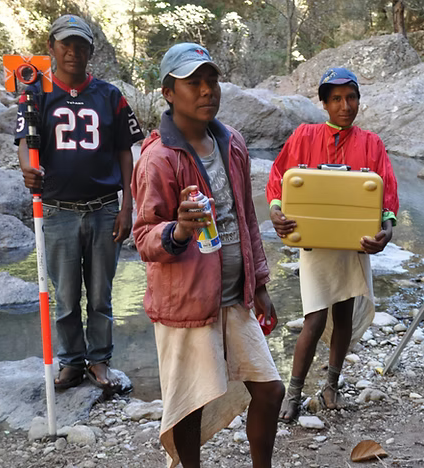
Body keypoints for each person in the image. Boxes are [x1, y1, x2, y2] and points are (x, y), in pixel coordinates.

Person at [131, 43, 284, 468]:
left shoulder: (231, 142)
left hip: (235, 297)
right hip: (187, 303)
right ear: (167, 92)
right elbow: (143, 236)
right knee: (189, 405)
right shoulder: (158, 159)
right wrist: (178, 231)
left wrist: (261, 281)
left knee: (270, 390)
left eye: (211, 81)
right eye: (193, 82)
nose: (206, 91)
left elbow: (246, 219)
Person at [16, 14, 143, 391]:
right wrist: (27, 169)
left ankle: (100, 360)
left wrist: (127, 206)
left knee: (101, 294)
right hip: (57, 211)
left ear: (91, 50)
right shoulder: (35, 93)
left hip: (104, 209)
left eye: (81, 45)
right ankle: (71, 362)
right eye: (65, 44)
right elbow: (26, 141)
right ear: (51, 48)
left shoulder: (110, 95)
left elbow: (125, 153)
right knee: (66, 297)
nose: (73, 52)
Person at [268, 67, 399, 422]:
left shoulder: (371, 143)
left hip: (354, 245)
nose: (345, 106)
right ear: (324, 103)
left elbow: (386, 192)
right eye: (337, 99)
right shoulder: (304, 136)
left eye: (351, 97)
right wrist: (276, 212)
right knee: (314, 318)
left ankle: (331, 387)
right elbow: (279, 178)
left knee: (343, 316)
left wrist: (387, 230)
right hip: (316, 246)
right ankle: (292, 395)